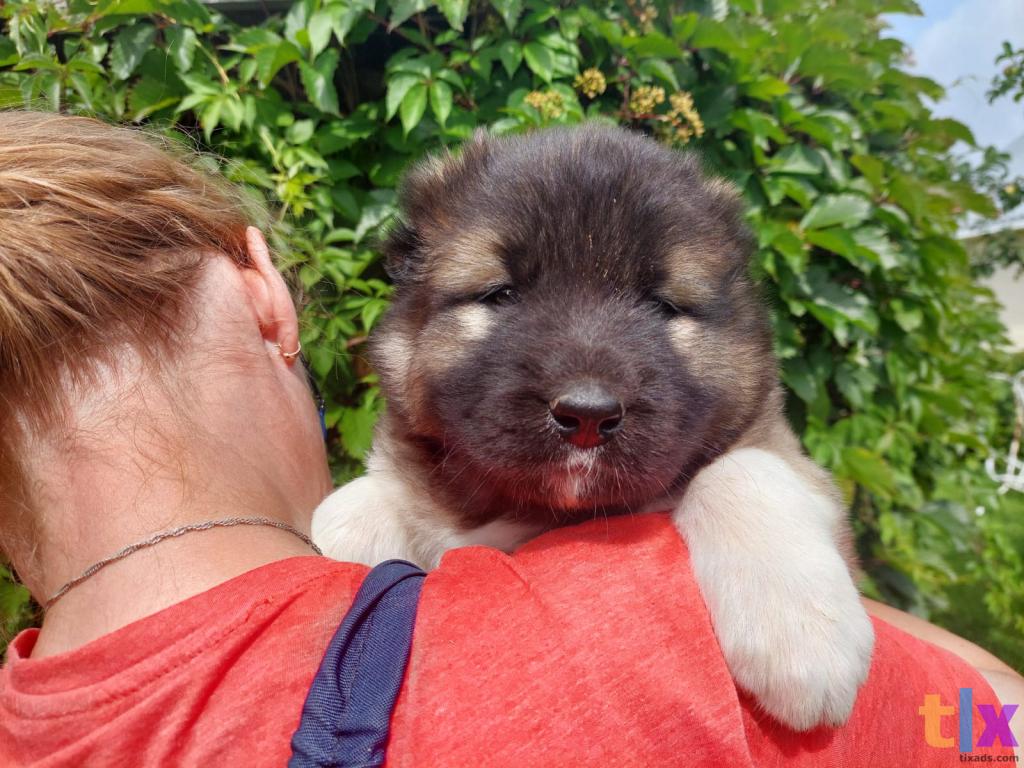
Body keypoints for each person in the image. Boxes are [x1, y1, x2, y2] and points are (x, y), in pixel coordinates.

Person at [0, 110, 1019, 767]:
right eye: (498, 291)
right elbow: (994, 728)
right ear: (265, 292)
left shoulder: (29, 717)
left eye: (665, 304)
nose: (584, 386)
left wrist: (750, 493)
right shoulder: (664, 658)